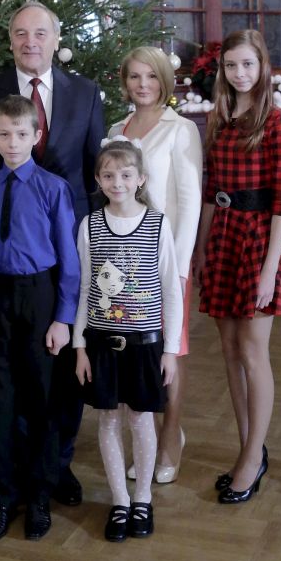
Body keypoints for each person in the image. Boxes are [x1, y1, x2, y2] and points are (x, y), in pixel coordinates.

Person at [0, 0, 104, 506]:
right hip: (5, 251)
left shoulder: (85, 93)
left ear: (56, 39)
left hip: (65, 251)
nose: (30, 41)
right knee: (12, 381)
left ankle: (57, 466)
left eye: (40, 33)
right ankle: (18, 471)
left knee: (58, 375)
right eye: (20, 33)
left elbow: (95, 173)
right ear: (9, 40)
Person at [192, 29, 281, 505]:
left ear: (262, 67)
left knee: (254, 352)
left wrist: (269, 270)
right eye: (232, 65)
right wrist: (200, 249)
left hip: (259, 241)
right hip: (223, 237)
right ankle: (246, 448)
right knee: (230, 350)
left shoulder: (278, 122)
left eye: (248, 65)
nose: (239, 73)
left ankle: (254, 457)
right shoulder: (217, 118)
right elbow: (209, 192)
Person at [0, 95, 80, 544]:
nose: (12, 143)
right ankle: (2, 497)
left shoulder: (54, 189)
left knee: (42, 399)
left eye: (21, 134)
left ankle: (39, 497)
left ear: (36, 136)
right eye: (4, 135)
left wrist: (63, 318)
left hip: (40, 297)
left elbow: (69, 260)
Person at [74, 138, 183, 542]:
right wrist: (79, 346)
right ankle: (119, 501)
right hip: (101, 343)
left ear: (140, 179)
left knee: (140, 419)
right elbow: (84, 287)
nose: (116, 182)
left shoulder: (157, 223)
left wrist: (170, 350)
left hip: (145, 344)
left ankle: (142, 499)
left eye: (124, 175)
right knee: (107, 419)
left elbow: (170, 289)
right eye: (108, 175)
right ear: (98, 179)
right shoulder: (89, 224)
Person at [107, 46, 201, 483]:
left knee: (169, 352)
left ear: (164, 80)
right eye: (134, 77)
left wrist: (177, 268)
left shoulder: (180, 129)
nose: (142, 85)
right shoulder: (116, 130)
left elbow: (190, 202)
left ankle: (170, 437)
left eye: (150, 76)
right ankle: (143, 439)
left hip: (167, 263)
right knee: (134, 353)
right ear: (125, 82)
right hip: (124, 266)